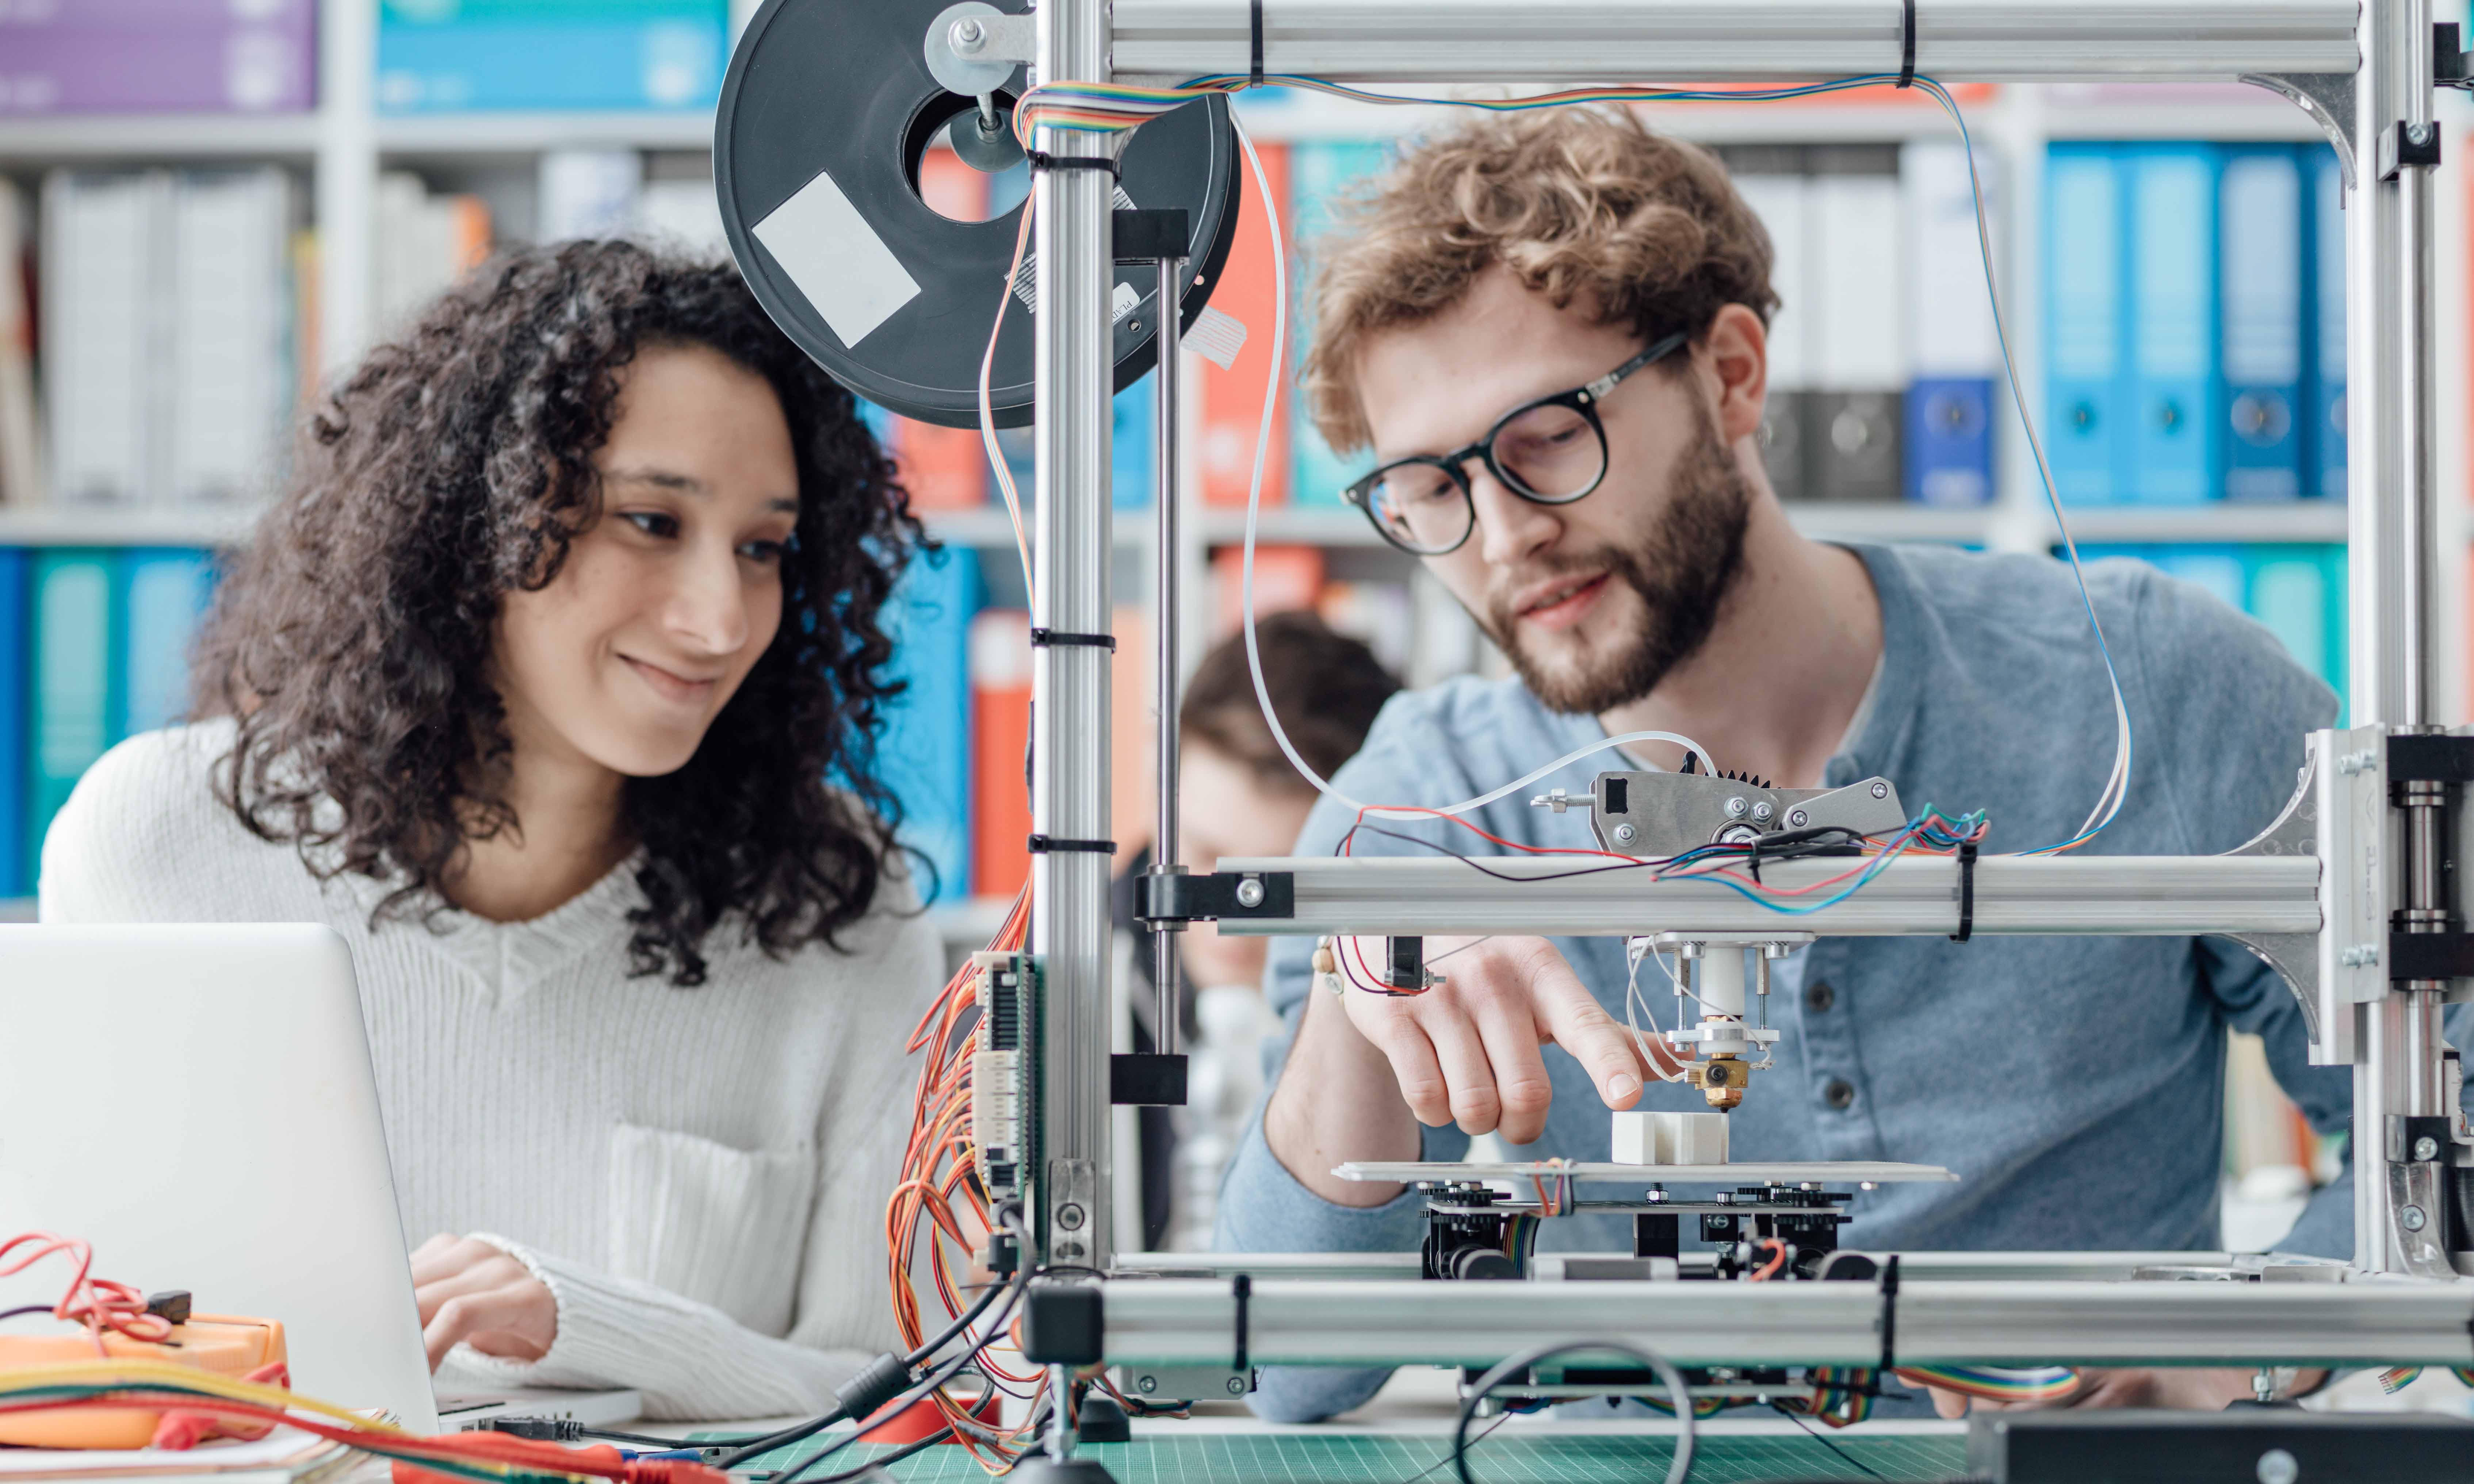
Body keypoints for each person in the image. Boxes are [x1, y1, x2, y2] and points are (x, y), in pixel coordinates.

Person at [1213, 108, 2416, 1421]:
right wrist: (1359, 988)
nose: (1499, 537)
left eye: (1548, 437)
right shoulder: (1414, 809)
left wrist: (2254, 1335)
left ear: (1730, 374)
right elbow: (1290, 1367)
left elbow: (2443, 1121)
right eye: (1426, 489)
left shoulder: (2148, 687)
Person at [40, 241, 944, 1419]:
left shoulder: (840, 909)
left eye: (763, 548)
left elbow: (897, 1393)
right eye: (651, 520)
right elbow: (88, 1349)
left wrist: (588, 1321)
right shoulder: (160, 843)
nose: (721, 617)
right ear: (479, 517)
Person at [1123, 610, 1400, 1248]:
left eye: (1281, 889)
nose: (1231, 926)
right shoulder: (1057, 983)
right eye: (1205, 854)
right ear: (1158, 788)